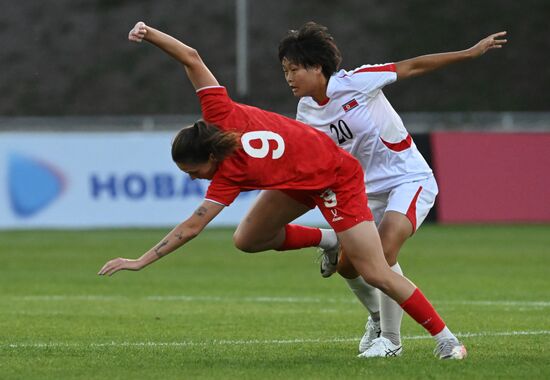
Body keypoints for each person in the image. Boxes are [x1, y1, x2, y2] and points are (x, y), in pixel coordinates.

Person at [98, 21, 467, 360]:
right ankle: (330, 241)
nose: (195, 179)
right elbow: (190, 58)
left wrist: (139, 261)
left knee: (375, 269)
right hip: (297, 180)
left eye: (195, 171)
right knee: (248, 237)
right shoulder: (219, 112)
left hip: (336, 179)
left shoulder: (227, 168)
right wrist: (150, 33)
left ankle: (446, 340)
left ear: (210, 154)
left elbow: (192, 227)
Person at [231, 22, 506, 357]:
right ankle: (373, 313)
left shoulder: (357, 81)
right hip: (361, 191)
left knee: (384, 253)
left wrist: (469, 52)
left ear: (317, 67)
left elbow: (412, 66)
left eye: (294, 69)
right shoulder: (305, 111)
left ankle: (391, 341)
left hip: (407, 179)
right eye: (284, 70)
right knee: (349, 267)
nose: (288, 78)